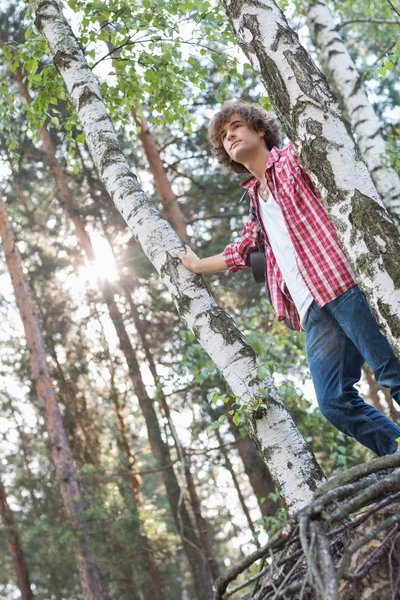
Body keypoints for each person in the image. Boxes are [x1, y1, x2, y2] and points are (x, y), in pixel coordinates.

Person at [174, 102, 400, 457]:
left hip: (342, 285)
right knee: (333, 402)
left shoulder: (293, 160)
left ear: (260, 130)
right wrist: (198, 265)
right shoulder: (255, 202)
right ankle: (396, 449)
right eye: (223, 135)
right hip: (313, 310)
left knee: (391, 372)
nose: (229, 135)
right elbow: (241, 251)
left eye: (235, 127)